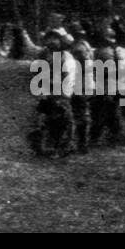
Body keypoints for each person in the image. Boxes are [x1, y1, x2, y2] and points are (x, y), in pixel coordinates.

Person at [27, 28, 75, 157]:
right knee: (41, 119)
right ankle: (41, 145)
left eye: (55, 38)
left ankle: (62, 147)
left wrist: (61, 94)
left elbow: (67, 78)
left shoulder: (66, 57)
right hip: (47, 90)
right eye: (50, 38)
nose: (52, 41)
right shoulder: (45, 54)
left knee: (61, 121)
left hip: (61, 92)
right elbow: (37, 71)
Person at [67, 19, 94, 152]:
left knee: (79, 114)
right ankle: (82, 143)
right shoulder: (85, 45)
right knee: (82, 113)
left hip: (81, 83)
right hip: (85, 82)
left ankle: (80, 143)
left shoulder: (78, 48)